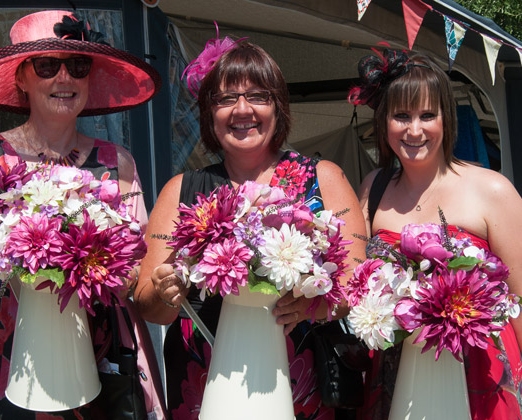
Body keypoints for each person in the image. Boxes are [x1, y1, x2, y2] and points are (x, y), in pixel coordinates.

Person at [0, 10, 167, 420]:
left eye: (77, 66)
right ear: (21, 78)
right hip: (7, 355)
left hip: (103, 351)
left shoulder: (119, 163)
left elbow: (135, 273)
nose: (64, 79)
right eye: (47, 66)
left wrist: (99, 263)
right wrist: (7, 245)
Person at [134, 35, 367, 419]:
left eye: (258, 96)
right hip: (203, 381)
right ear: (210, 113)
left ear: (278, 108)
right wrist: (163, 291)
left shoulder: (325, 179)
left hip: (301, 383)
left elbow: (357, 284)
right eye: (226, 99)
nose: (242, 109)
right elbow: (148, 306)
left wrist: (317, 302)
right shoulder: (181, 190)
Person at [351, 48, 522, 420]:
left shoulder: (493, 191)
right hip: (396, 372)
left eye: (427, 115)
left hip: (482, 371)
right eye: (401, 116)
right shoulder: (373, 187)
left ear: (447, 118)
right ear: (384, 123)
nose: (414, 130)